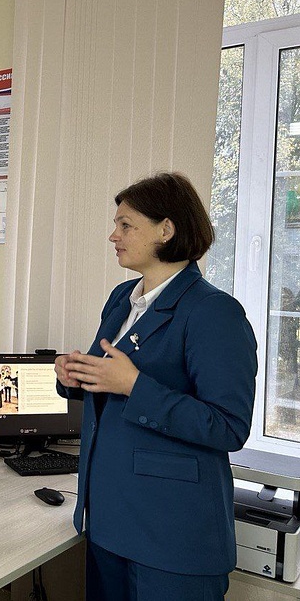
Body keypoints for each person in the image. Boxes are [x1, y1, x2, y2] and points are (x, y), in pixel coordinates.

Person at [54, 172, 256, 601]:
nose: (114, 235)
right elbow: (103, 378)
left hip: (173, 538)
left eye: (126, 225)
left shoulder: (213, 312)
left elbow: (228, 427)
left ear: (166, 229)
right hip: (108, 521)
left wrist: (135, 386)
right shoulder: (122, 298)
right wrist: (73, 376)